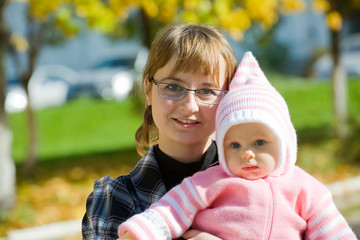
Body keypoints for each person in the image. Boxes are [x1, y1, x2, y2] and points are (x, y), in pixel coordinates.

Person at [117, 52, 357, 240]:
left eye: (260, 142)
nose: (247, 153)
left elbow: (333, 232)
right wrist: (139, 234)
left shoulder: (305, 188)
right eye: (234, 145)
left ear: (283, 142)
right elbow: (169, 211)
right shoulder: (211, 181)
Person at [81, 23, 238, 240]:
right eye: (173, 87)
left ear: (227, 98)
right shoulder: (114, 198)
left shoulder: (255, 185)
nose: (189, 106)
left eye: (206, 90)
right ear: (148, 90)